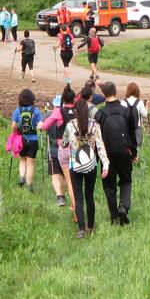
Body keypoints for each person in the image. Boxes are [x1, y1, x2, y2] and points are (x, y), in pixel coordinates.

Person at [62, 98, 109, 239]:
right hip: (91, 164)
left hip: (74, 165)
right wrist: (106, 164)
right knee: (89, 196)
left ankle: (81, 229)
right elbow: (100, 146)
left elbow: (64, 143)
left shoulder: (70, 125)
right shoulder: (95, 125)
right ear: (88, 111)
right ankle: (91, 226)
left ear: (75, 111)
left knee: (78, 196)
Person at [95, 81, 138, 225]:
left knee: (109, 186)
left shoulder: (100, 113)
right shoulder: (126, 111)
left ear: (104, 94)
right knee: (126, 180)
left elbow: (97, 138)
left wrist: (97, 158)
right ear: (116, 91)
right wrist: (134, 152)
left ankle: (114, 217)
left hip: (107, 155)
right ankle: (124, 207)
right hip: (125, 152)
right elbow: (132, 134)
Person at [40, 86, 76, 207]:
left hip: (63, 147)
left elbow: (44, 126)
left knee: (68, 179)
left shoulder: (57, 112)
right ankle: (75, 204)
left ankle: (73, 205)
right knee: (74, 178)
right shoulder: (79, 110)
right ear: (74, 100)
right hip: (78, 147)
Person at [11, 89, 43, 190]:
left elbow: (13, 125)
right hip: (33, 140)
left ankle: (21, 177)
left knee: (22, 160)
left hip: (22, 139)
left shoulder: (17, 111)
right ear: (32, 99)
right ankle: (29, 185)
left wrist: (14, 134)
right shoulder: (36, 111)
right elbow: (40, 126)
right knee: (31, 163)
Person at [123, 83, 147, 160]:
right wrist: (146, 106)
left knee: (126, 145)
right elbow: (144, 115)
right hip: (137, 127)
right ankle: (135, 159)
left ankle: (128, 159)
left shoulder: (123, 102)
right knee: (136, 146)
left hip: (125, 127)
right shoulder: (139, 102)